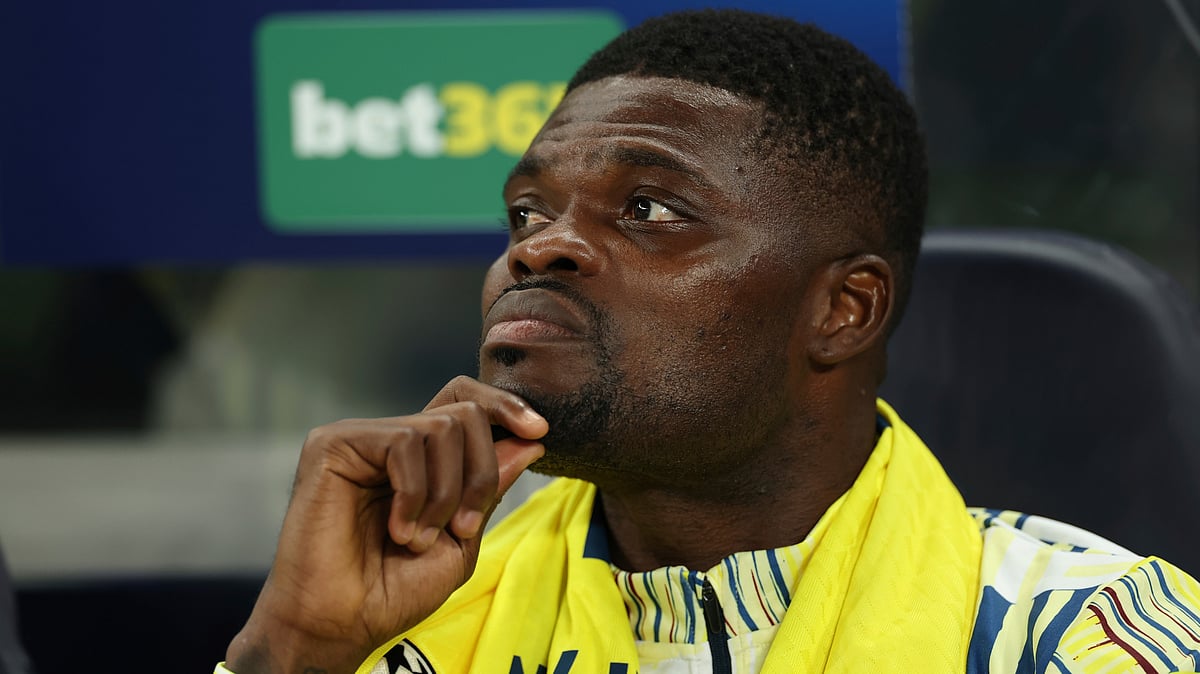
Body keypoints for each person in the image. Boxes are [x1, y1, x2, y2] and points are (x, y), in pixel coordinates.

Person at [220, 9, 1200, 674]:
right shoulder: (419, 629)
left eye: (646, 207)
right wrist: (298, 645)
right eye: (526, 212)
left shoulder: (1079, 637)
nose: (543, 247)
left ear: (844, 311)